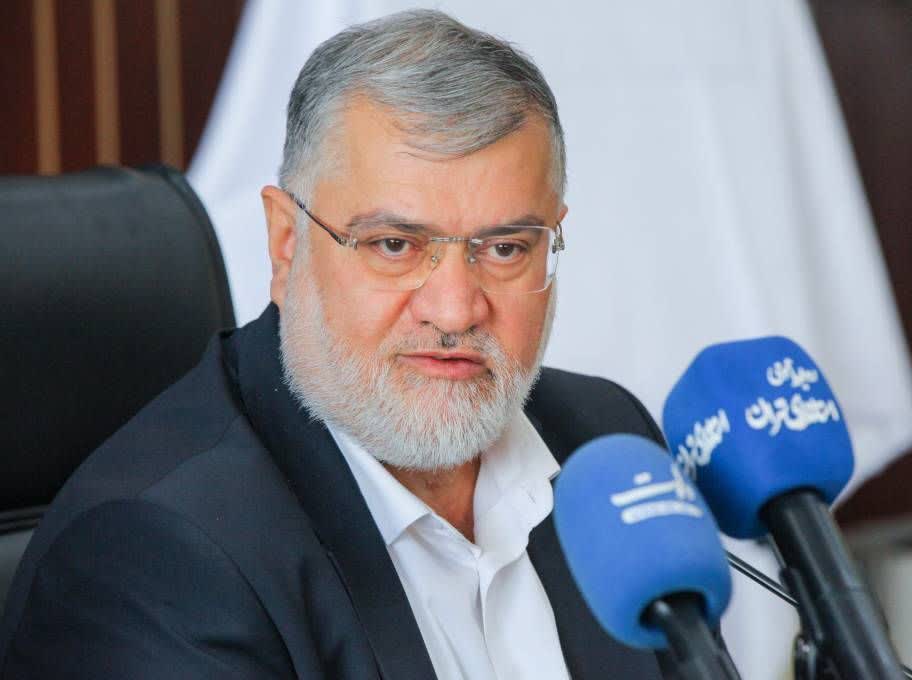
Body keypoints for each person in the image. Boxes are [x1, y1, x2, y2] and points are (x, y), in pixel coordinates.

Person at [0, 10, 680, 679]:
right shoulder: (158, 557)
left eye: (504, 248)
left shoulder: (605, 444)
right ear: (286, 243)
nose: (455, 310)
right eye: (394, 245)